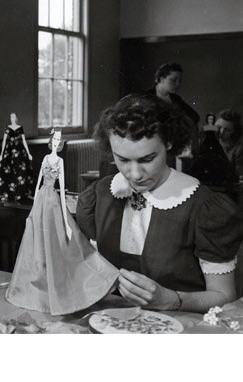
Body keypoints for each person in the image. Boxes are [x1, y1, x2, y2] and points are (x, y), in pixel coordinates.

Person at [76, 94, 243, 313]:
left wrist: (170, 299)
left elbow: (225, 297)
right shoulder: (101, 195)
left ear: (169, 143)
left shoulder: (204, 207)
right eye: (123, 159)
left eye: (147, 159)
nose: (134, 175)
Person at [5, 128, 119, 316]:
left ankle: (62, 288)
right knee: (37, 239)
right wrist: (33, 206)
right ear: (51, 142)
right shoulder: (45, 160)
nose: (57, 143)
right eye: (55, 140)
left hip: (53, 199)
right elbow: (38, 181)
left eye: (60, 140)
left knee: (58, 240)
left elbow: (63, 184)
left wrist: (64, 213)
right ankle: (35, 289)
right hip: (42, 197)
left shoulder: (60, 161)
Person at [189, 112, 237, 188]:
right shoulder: (203, 143)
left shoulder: (238, 150)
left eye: (227, 130)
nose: (221, 132)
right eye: (219, 127)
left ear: (234, 131)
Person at [0, 112, 35, 202]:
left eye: (13, 117)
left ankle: (22, 193)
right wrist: (1, 154)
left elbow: (24, 141)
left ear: (16, 118)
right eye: (11, 117)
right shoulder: (7, 127)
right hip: (9, 151)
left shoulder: (20, 128)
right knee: (7, 170)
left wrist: (29, 154)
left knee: (21, 170)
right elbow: (4, 141)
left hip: (19, 150)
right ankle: (8, 194)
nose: (12, 118)